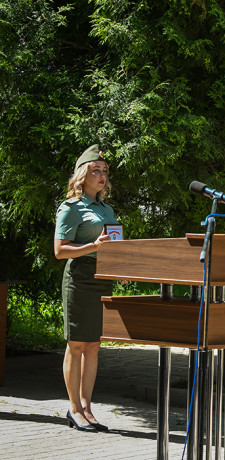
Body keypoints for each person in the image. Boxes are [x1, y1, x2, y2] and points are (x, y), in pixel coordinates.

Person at [54, 145, 117, 432]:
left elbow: (114, 248)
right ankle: (74, 409)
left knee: (93, 345)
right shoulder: (71, 207)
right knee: (77, 344)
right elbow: (59, 251)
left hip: (103, 277)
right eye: (96, 170)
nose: (102, 175)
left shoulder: (107, 209)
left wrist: (121, 269)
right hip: (79, 278)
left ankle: (88, 408)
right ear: (83, 174)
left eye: (104, 171)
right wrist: (93, 246)